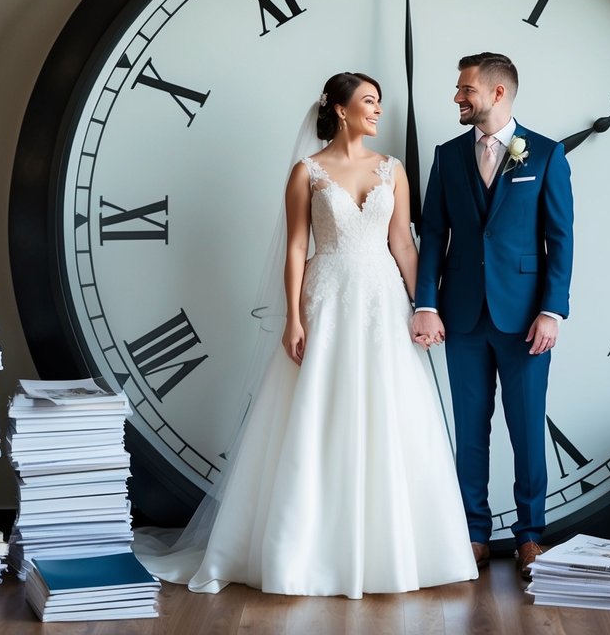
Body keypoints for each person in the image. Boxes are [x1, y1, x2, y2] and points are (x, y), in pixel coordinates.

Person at [134, 72, 476, 598]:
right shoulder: (308, 172)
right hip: (328, 298)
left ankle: (394, 552)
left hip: (383, 301)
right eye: (368, 101)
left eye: (379, 103)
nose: (377, 110)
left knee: (390, 412)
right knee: (318, 411)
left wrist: (425, 306)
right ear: (340, 109)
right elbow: (297, 248)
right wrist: (294, 317)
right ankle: (306, 550)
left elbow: (404, 246)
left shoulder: (393, 170)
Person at [411, 52, 574, 578]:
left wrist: (552, 310)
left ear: (497, 93)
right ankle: (473, 534)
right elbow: (433, 232)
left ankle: (530, 535)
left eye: (466, 90)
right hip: (460, 315)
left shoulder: (546, 154)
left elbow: (560, 239)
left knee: (526, 429)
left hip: (525, 318)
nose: (458, 98)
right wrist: (426, 301)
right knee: (469, 430)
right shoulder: (448, 154)